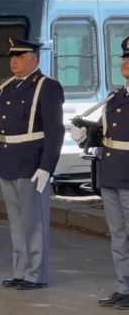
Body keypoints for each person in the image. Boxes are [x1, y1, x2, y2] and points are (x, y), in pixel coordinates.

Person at [0, 37, 63, 290]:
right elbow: (7, 125)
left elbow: (55, 130)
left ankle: (35, 274)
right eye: (12, 57)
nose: (14, 61)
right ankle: (21, 270)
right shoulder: (9, 87)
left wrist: (46, 167)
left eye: (20, 57)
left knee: (33, 222)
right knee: (16, 222)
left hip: (31, 162)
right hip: (8, 160)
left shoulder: (47, 86)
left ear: (34, 59)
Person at [74, 36, 129, 307]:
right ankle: (124, 286)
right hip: (111, 172)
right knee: (118, 235)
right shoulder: (115, 97)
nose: (126, 62)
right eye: (124, 58)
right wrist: (84, 135)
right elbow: (105, 135)